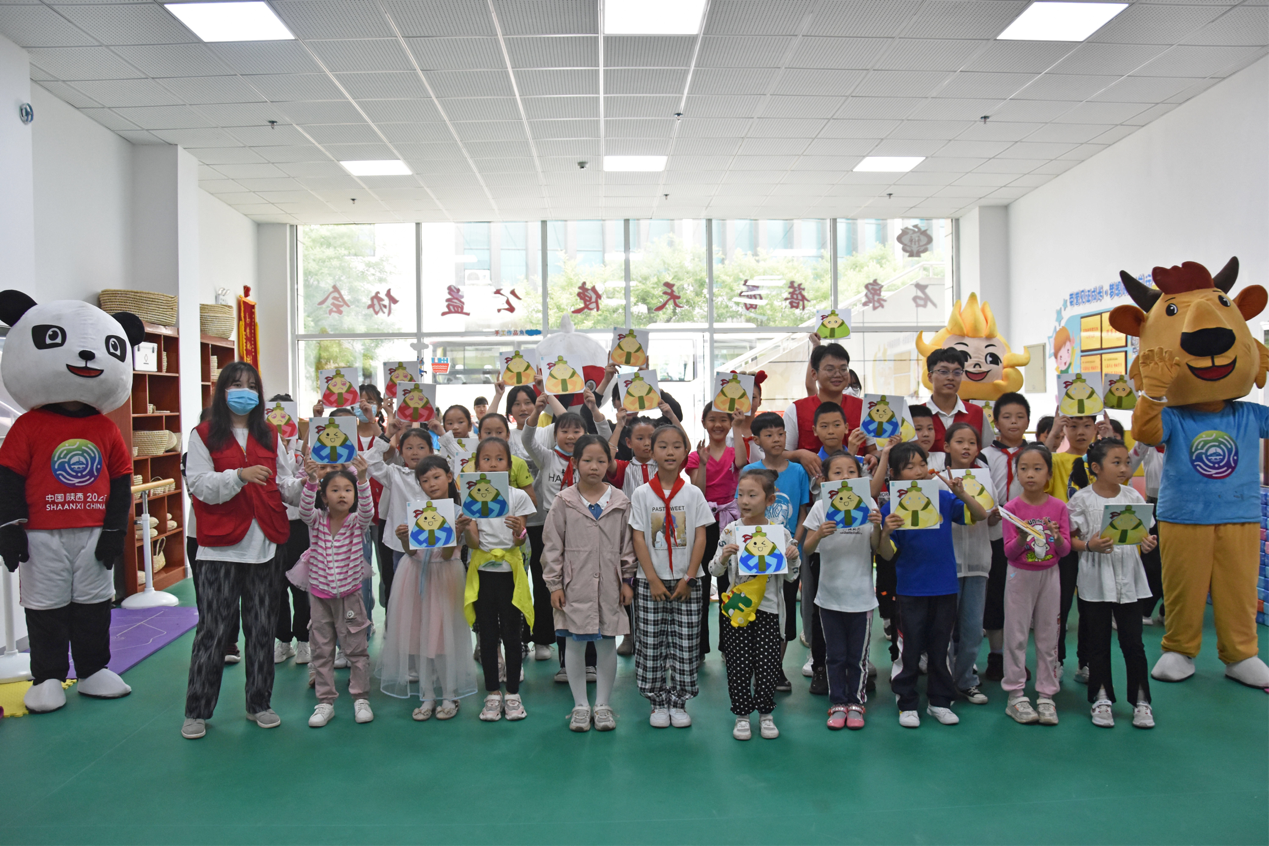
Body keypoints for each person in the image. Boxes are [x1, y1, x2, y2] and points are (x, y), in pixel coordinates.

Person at [182, 363, 300, 740]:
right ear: (222, 391)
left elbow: (284, 484)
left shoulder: (270, 434)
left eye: (251, 385)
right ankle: (197, 710)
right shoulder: (203, 435)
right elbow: (199, 484)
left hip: (265, 544)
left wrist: (307, 481)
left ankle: (259, 703)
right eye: (236, 384)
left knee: (262, 628)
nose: (244, 391)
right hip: (219, 547)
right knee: (213, 632)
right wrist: (238, 475)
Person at [878, 442, 987, 728]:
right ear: (894, 474)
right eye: (909, 467)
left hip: (945, 587)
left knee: (940, 648)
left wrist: (961, 493)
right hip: (910, 589)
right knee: (910, 648)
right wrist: (885, 531)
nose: (918, 471)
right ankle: (906, 702)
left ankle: (940, 701)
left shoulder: (944, 498)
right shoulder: (891, 507)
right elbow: (886, 554)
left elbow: (980, 515)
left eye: (922, 464)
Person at [542, 435, 635, 732]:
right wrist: (555, 585)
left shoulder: (620, 501)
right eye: (587, 460)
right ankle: (580, 705)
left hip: (610, 584)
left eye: (601, 461)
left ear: (609, 463)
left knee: (607, 643)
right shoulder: (563, 501)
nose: (594, 466)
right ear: (575, 462)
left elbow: (628, 546)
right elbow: (552, 546)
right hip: (574, 585)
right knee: (574, 642)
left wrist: (627, 580)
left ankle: (603, 704)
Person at [629, 425, 715, 729]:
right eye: (662, 446)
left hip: (687, 582)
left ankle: (679, 701)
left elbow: (701, 537)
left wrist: (689, 577)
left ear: (685, 452)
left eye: (677, 446)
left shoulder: (693, 493)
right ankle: (656, 701)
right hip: (649, 582)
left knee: (686, 644)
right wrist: (652, 578)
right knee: (650, 643)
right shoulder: (641, 494)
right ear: (652, 452)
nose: (670, 452)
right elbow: (638, 537)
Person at [1067, 438, 1157, 729]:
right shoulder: (1081, 499)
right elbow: (1068, 540)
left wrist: (1147, 543)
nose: (1124, 468)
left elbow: (1144, 535)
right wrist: (1089, 545)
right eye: (1116, 463)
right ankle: (1101, 698)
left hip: (1129, 581)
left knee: (1134, 643)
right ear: (1096, 468)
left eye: (1126, 462)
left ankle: (1141, 701)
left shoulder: (1133, 496)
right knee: (1098, 643)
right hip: (1094, 580)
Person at [380, 455, 477, 721]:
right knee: (420, 636)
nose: (431, 484)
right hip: (414, 575)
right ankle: (427, 695)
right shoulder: (416, 510)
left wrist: (456, 533)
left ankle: (449, 694)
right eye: (425, 480)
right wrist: (404, 539)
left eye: (436, 477)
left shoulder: (459, 512)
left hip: (445, 576)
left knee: (442, 638)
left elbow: (446, 555)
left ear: (449, 477)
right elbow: (411, 551)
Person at [710, 468, 801, 740]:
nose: (745, 501)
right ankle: (741, 715)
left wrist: (793, 557)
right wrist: (724, 557)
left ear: (770, 500)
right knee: (737, 664)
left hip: (769, 610)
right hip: (738, 610)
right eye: (741, 495)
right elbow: (713, 570)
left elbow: (791, 577)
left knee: (767, 665)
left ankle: (765, 713)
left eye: (752, 495)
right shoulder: (731, 530)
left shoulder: (780, 533)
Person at [524, 387, 606, 677]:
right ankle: (565, 663)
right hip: (554, 532)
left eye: (576, 431)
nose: (570, 436)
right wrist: (537, 410)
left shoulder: (589, 461)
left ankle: (590, 660)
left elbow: (606, 439)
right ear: (555, 433)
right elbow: (527, 439)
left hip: (586, 531)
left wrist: (594, 410)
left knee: (588, 595)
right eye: (564, 431)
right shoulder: (547, 457)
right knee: (559, 595)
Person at [803, 452, 884, 730]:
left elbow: (876, 547)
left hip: (861, 597)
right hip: (829, 597)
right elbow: (807, 549)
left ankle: (856, 703)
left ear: (860, 476)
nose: (845, 476)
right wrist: (819, 534)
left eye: (851, 471)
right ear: (825, 480)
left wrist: (877, 526)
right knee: (835, 656)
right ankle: (838, 702)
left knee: (857, 658)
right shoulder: (820, 507)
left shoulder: (869, 503)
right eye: (837, 472)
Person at [296, 454, 375, 728]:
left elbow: (368, 512)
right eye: (335, 490)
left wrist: (362, 480)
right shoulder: (317, 520)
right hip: (320, 596)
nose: (342, 494)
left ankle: (360, 698)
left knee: (356, 649)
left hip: (350, 595)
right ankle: (325, 702)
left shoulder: (356, 523)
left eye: (348, 490)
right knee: (321, 649)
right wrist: (311, 480)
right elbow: (304, 511)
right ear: (324, 496)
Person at [462, 437, 537, 722]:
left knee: (512, 634)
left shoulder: (518, 497)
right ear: (477, 464)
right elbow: (473, 542)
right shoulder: (471, 496)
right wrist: (466, 528)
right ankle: (492, 693)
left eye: (499, 459)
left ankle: (514, 693)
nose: (493, 464)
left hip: (510, 575)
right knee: (488, 636)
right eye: (486, 459)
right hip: (482, 573)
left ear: (509, 465)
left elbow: (520, 542)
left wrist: (519, 531)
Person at [1001, 444, 1071, 726]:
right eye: (1024, 469)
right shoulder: (1011, 509)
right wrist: (1021, 537)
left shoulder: (1059, 507)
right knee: (1016, 635)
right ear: (1016, 474)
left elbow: (1064, 550)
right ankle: (1015, 694)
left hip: (1050, 576)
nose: (1030, 474)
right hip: (1019, 576)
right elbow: (1009, 552)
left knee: (1048, 635)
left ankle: (1046, 695)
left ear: (1049, 474)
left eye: (1037, 468)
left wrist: (1056, 536)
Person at [743, 411, 811, 693]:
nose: (777, 439)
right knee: (758, 610)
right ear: (757, 441)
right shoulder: (751, 472)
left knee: (784, 613)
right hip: (755, 554)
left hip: (788, 555)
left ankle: (775, 669)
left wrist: (794, 542)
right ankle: (757, 666)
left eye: (781, 433)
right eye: (769, 435)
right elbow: (745, 513)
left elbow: (804, 512)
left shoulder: (798, 472)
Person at [1043, 410, 1112, 680]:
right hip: (1065, 544)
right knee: (1059, 607)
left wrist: (1110, 441)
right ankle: (1056, 660)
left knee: (1092, 608)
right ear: (1065, 429)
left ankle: (1086, 662)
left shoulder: (1104, 463)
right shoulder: (1057, 460)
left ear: (1096, 428)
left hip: (1098, 544)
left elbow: (1121, 484)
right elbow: (1039, 466)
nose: (1080, 432)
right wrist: (1053, 433)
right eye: (1073, 426)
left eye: (1086, 425)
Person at [944, 422, 997, 705]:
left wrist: (994, 518)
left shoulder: (985, 479)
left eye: (972, 443)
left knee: (973, 629)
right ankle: (944, 683)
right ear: (946, 446)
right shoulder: (937, 480)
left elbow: (990, 518)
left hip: (978, 562)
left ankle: (966, 681)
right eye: (959, 441)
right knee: (945, 629)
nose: (966, 447)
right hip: (946, 565)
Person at [687, 406, 747, 658]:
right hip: (704, 522)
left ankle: (728, 646)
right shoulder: (695, 455)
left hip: (731, 522)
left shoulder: (735, 451)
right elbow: (698, 491)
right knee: (701, 582)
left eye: (724, 420)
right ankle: (700, 647)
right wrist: (702, 463)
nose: (718, 424)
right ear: (703, 422)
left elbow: (742, 463)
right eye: (712, 420)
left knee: (729, 583)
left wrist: (738, 426)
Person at [979, 392, 1031, 681]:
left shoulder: (1035, 453)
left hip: (1029, 535)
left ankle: (1017, 655)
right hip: (996, 534)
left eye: (1020, 417)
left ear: (1028, 421)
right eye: (1007, 417)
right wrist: (991, 514)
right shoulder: (984, 455)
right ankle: (996, 655)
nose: (1014, 422)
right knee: (996, 594)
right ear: (996, 422)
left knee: (1022, 598)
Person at [268, 394, 310, 667]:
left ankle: (304, 641)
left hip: (299, 523)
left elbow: (306, 478)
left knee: (301, 584)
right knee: (275, 585)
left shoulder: (302, 446)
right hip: (272, 521)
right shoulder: (264, 445)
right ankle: (283, 640)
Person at [784, 341, 863, 482]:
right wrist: (799, 454)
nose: (838, 374)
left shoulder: (863, 407)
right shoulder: (795, 410)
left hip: (857, 490)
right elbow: (779, 454)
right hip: (810, 491)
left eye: (843, 369)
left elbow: (873, 450)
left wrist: (874, 457)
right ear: (814, 374)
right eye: (830, 369)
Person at [921, 348, 993, 452]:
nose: (951, 377)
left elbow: (988, 452)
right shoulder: (916, 415)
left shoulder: (977, 413)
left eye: (957, 372)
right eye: (943, 371)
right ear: (930, 376)